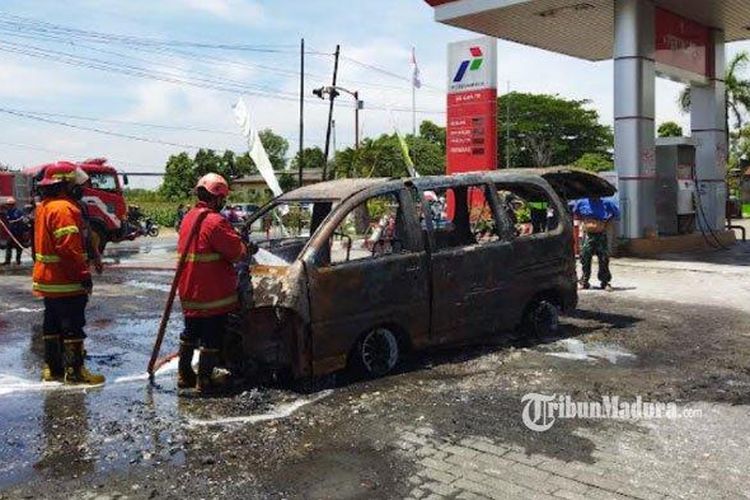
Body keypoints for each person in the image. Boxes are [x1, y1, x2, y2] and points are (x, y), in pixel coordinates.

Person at [177, 173, 251, 394]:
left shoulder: (189, 217)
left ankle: (184, 375)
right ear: (217, 197)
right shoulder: (215, 221)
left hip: (190, 290)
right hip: (212, 293)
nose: (223, 202)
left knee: (191, 331)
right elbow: (236, 253)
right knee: (212, 336)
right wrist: (245, 246)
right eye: (222, 198)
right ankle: (205, 380)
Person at [33, 162, 104, 385]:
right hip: (66, 280)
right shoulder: (64, 208)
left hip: (48, 280)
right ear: (65, 184)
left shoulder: (45, 206)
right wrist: (83, 274)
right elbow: (68, 248)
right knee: (73, 324)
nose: (79, 188)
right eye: (75, 184)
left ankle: (53, 369)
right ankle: (75, 372)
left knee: (52, 323)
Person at [571, 196, 620, 291]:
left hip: (601, 234)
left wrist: (606, 222)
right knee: (585, 257)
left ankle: (605, 282)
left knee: (603, 258)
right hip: (588, 235)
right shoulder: (582, 202)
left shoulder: (607, 203)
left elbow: (616, 214)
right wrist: (584, 222)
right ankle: (584, 281)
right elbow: (576, 213)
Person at [1, 197, 24, 265]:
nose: (8, 206)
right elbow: (4, 215)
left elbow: (19, 220)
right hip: (11, 233)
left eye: (9, 205)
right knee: (8, 246)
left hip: (18, 232)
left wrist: (13, 222)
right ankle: (7, 261)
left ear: (13, 205)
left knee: (18, 247)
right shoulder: (8, 212)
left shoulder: (18, 212)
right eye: (7, 205)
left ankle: (18, 260)